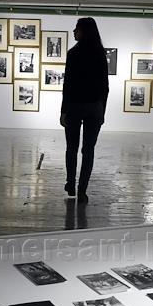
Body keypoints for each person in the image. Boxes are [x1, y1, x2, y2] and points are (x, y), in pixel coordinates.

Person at [60, 17, 109, 204]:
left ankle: (70, 184)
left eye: (77, 29)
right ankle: (82, 190)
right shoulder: (100, 54)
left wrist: (63, 110)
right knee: (88, 150)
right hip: (94, 107)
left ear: (84, 31)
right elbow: (105, 86)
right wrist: (102, 109)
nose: (74, 31)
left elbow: (67, 85)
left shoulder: (73, 54)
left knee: (72, 148)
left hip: (75, 106)